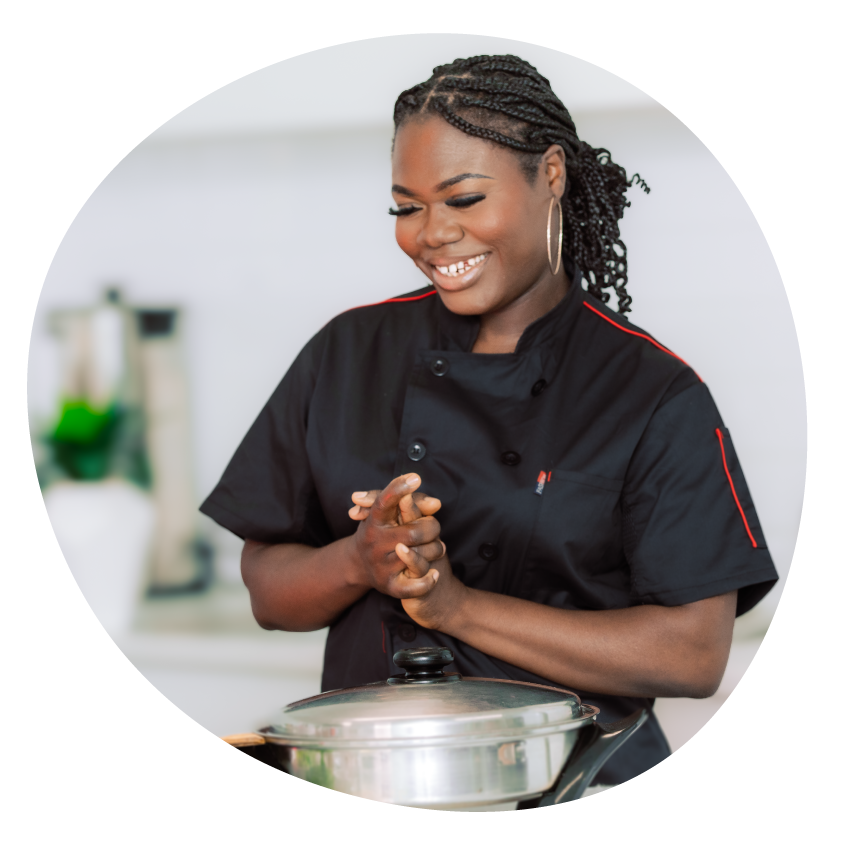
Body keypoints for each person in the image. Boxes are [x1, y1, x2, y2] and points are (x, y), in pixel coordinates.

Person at [200, 55, 778, 791]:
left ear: (554, 175)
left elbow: (693, 655)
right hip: (374, 773)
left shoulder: (649, 391)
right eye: (406, 208)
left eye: (464, 198)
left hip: (573, 780)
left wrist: (457, 606)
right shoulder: (346, 353)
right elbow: (267, 591)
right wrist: (359, 559)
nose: (432, 234)